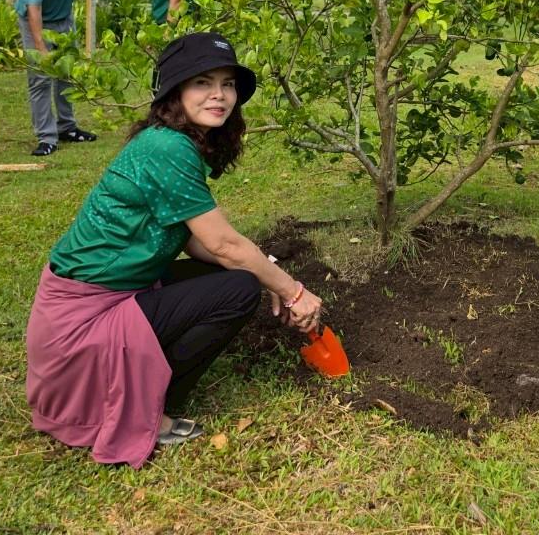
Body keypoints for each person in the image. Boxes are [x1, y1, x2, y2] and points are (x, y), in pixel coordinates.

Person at [25, 32, 323, 467]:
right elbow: (223, 244)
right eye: (203, 82)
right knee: (238, 289)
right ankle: (147, 406)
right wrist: (292, 291)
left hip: (119, 292)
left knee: (237, 277)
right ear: (174, 92)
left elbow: (198, 241)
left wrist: (267, 273)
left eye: (227, 84)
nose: (219, 95)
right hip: (83, 322)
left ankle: (147, 386)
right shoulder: (166, 147)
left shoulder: (172, 141)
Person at [15, 0, 151, 156]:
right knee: (41, 79)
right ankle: (46, 137)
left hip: (64, 19)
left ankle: (67, 128)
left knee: (68, 75)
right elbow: (33, 7)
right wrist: (41, 48)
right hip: (35, 22)